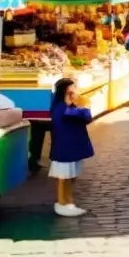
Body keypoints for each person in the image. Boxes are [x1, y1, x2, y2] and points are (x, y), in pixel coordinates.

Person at [48, 77, 94, 217]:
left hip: (69, 148)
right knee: (63, 177)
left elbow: (85, 117)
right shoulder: (62, 109)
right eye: (73, 88)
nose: (76, 91)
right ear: (67, 91)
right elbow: (84, 114)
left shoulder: (67, 107)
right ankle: (62, 202)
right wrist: (83, 106)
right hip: (64, 149)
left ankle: (68, 202)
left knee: (68, 177)